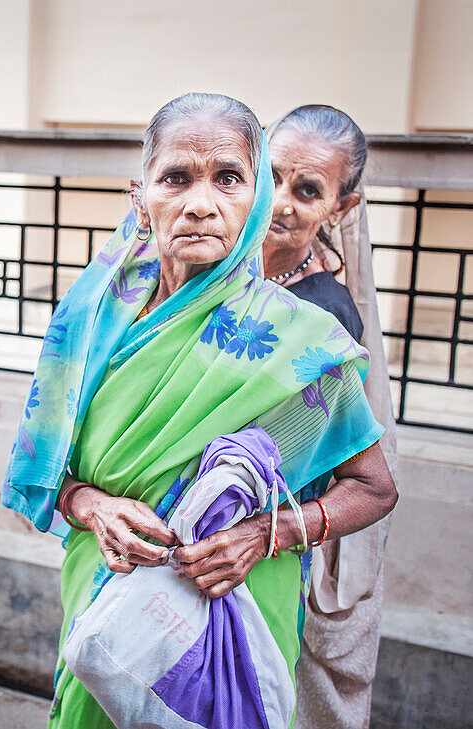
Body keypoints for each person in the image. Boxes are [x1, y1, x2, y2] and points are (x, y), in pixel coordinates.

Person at [2, 93, 398, 729]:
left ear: (254, 201)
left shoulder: (301, 339)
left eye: (229, 179)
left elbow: (374, 489)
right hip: (106, 609)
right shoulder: (93, 319)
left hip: (235, 613)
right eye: (177, 178)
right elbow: (45, 469)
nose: (200, 203)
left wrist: (263, 534)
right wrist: (93, 507)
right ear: (142, 194)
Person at [264, 104, 398, 729]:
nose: (279, 201)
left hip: (248, 555)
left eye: (307, 190)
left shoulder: (325, 316)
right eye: (269, 176)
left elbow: (304, 468)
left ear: (340, 210)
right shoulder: (200, 270)